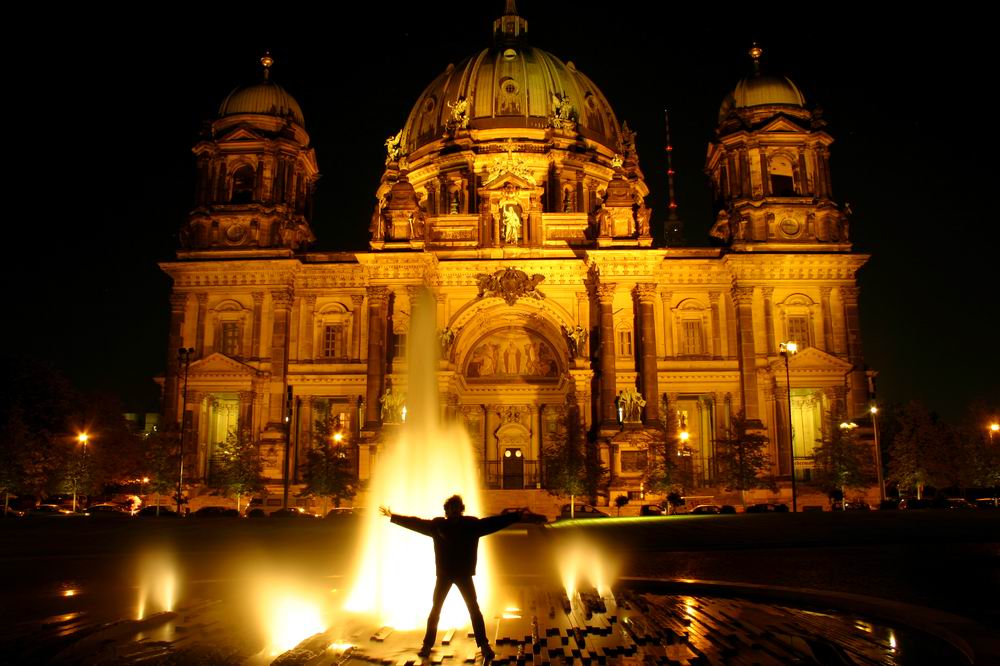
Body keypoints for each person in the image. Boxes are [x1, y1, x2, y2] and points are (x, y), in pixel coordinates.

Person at [380, 496, 522, 660]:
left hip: (460, 574)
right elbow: (416, 523)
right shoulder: (439, 525)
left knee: (472, 610)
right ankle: (428, 645)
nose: (454, 511)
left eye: (456, 508)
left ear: (460, 510)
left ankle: (483, 645)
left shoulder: (470, 525)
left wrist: (514, 517)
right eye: (451, 508)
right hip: (446, 575)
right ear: (447, 511)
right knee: (437, 610)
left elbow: (493, 523)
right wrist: (394, 517)